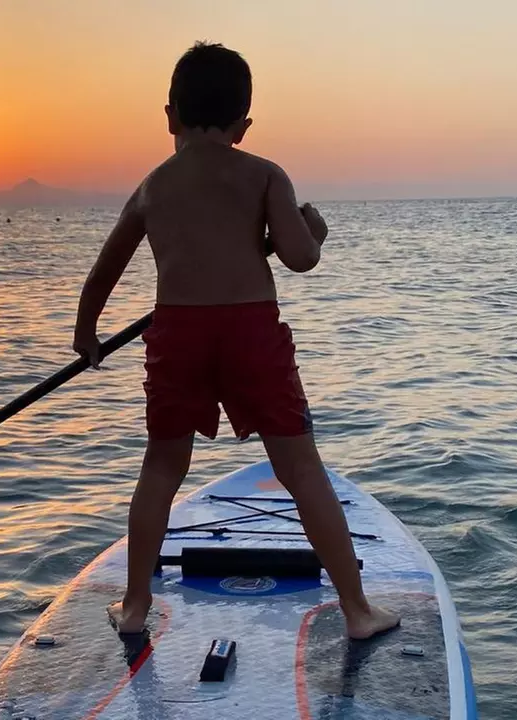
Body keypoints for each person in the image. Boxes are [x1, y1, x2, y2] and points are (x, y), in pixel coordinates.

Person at [71, 42, 399, 641]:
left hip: (179, 333)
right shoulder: (265, 174)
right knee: (300, 467)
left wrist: (86, 333)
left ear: (169, 116)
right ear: (244, 126)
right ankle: (357, 611)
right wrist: (313, 229)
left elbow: (105, 268)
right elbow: (299, 257)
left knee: (162, 467)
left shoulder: (152, 187)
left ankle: (136, 603)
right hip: (250, 333)